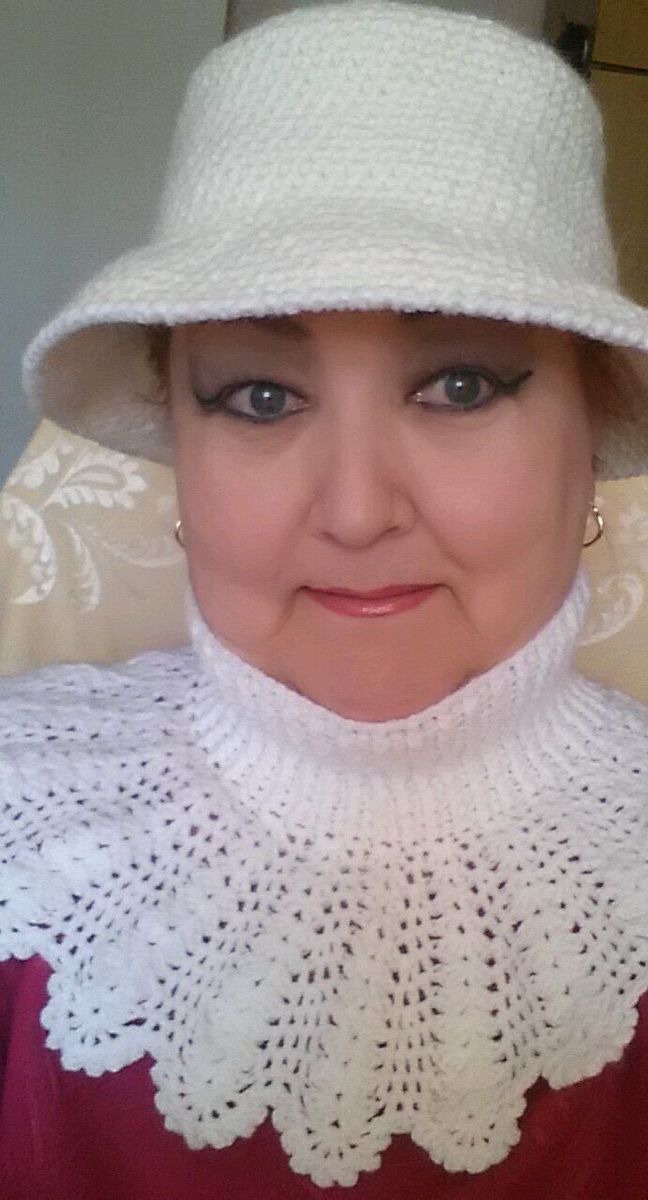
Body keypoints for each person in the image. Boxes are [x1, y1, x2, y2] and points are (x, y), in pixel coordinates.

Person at [1, 2, 648, 1197]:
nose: (355, 512)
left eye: (460, 384)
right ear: (180, 448)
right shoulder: (22, 837)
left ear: (595, 429)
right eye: (259, 397)